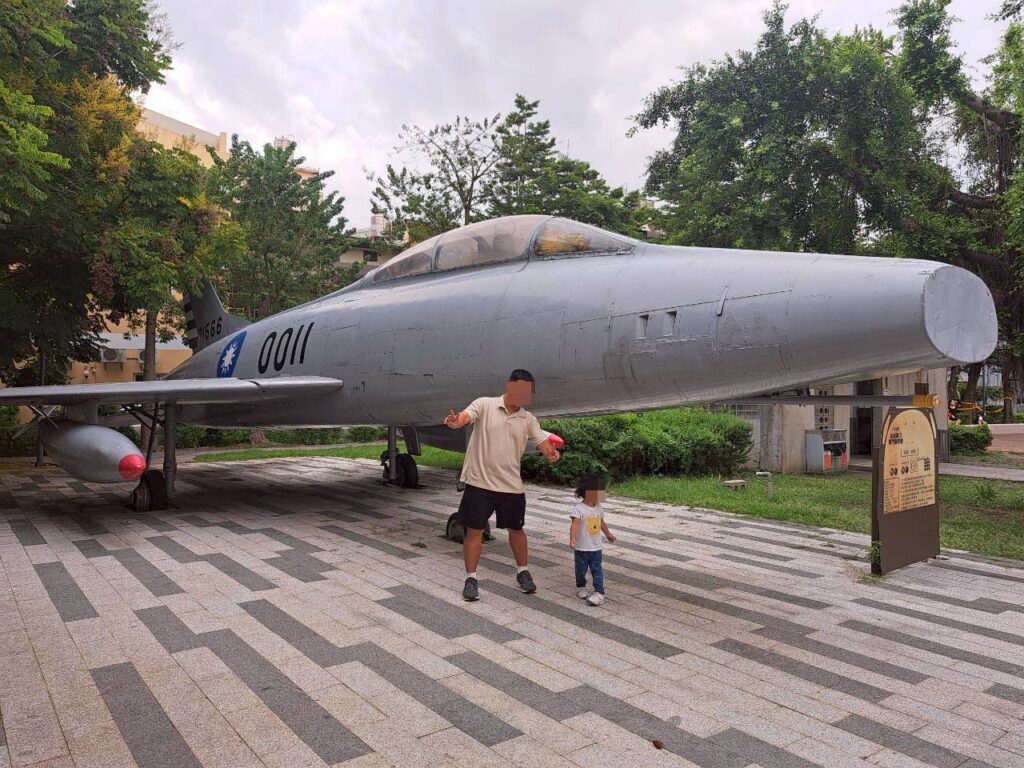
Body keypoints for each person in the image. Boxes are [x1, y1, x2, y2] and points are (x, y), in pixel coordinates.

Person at [444, 369, 560, 601]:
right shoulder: (485, 405)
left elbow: (542, 441)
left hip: (511, 486)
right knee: (474, 530)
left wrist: (550, 453)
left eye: (526, 392)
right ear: (509, 386)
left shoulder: (528, 419)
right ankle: (471, 578)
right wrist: (457, 422)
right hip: (480, 483)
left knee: (516, 530)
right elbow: (466, 417)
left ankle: (523, 572)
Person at [569, 476, 615, 606]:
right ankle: (581, 587)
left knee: (597, 570)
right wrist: (572, 538)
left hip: (596, 548)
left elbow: (601, 522)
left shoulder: (598, 507)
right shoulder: (579, 508)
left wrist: (608, 534)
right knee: (580, 570)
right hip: (581, 548)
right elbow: (574, 525)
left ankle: (599, 593)